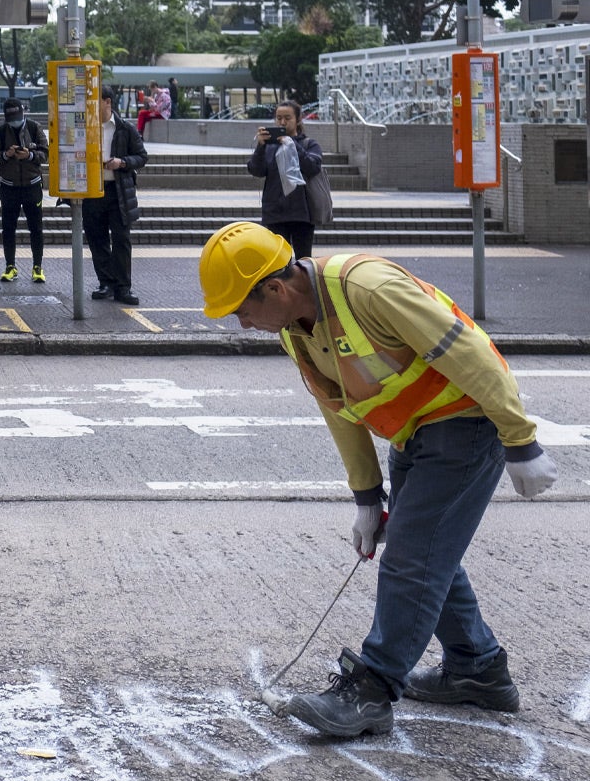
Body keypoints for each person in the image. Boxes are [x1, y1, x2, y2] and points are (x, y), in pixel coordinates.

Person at [198, 222, 560, 738]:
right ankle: (477, 669)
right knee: (428, 551)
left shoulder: (367, 287)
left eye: (242, 310)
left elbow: (469, 353)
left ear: (276, 289)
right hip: (413, 434)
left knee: (413, 558)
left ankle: (371, 691)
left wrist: (519, 439)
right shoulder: (294, 327)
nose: (242, 324)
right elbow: (337, 406)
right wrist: (366, 495)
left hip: (468, 421)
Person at [83, 85, 148, 305]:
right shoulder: (86, 127)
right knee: (96, 238)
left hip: (118, 191)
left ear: (107, 102)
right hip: (93, 191)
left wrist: (122, 162)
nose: (89, 106)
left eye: (94, 101)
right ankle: (106, 283)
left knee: (121, 239)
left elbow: (141, 156)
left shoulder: (124, 128)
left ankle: (123, 288)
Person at [247, 99, 323, 258]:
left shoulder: (309, 144)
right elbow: (256, 170)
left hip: (302, 214)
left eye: (287, 118)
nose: (282, 122)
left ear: (298, 120)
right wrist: (260, 147)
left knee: (303, 261)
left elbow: (312, 167)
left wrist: (293, 146)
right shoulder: (270, 146)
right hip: (274, 213)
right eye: (279, 118)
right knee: (278, 261)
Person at [0, 97, 48, 283]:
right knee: (8, 228)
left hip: (32, 185)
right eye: (11, 117)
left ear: (23, 112)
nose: (15, 120)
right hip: (8, 187)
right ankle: (10, 266)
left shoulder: (34, 127)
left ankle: (37, 267)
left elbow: (46, 153)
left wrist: (30, 155)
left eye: (17, 116)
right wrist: (7, 154)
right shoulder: (1, 131)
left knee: (36, 228)